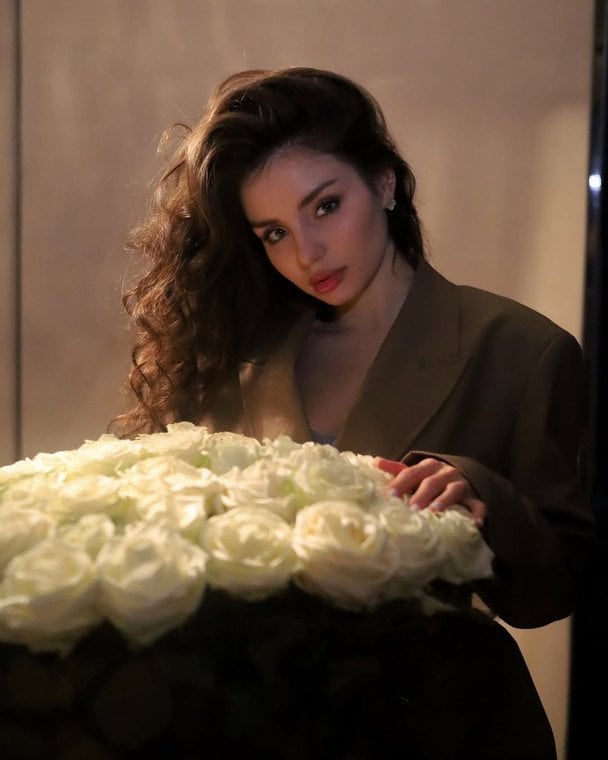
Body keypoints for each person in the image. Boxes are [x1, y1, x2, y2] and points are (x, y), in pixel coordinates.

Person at [109, 67, 594, 758]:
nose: (306, 253)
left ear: (385, 183)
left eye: (325, 207)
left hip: (443, 727)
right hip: (268, 726)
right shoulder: (235, 356)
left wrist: (476, 488)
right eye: (273, 233)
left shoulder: (522, 349)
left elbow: (557, 585)